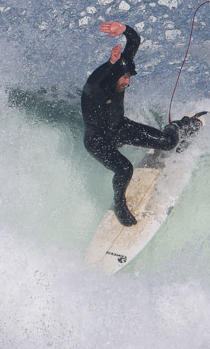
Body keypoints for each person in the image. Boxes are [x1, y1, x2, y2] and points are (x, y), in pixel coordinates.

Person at [81, 21, 203, 226]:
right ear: (114, 73)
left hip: (120, 128)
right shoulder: (96, 89)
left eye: (129, 77)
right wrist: (109, 64)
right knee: (124, 169)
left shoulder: (123, 65)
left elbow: (134, 41)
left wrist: (124, 29)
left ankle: (179, 126)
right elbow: (92, 81)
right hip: (98, 141)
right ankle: (119, 203)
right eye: (125, 78)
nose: (128, 82)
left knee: (168, 142)